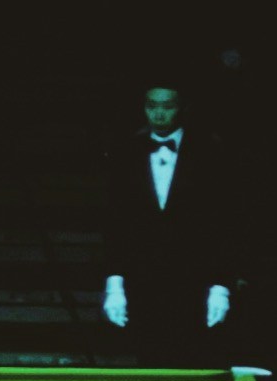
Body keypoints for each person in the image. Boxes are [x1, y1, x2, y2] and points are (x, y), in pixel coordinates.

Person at [101, 78, 237, 362]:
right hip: (141, 278)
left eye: (167, 106)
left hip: (194, 277)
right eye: (152, 106)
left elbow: (222, 221)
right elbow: (115, 221)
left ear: (183, 108)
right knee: (146, 361)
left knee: (194, 359)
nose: (159, 114)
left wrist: (220, 286)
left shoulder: (209, 149)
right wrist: (115, 285)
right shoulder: (125, 149)